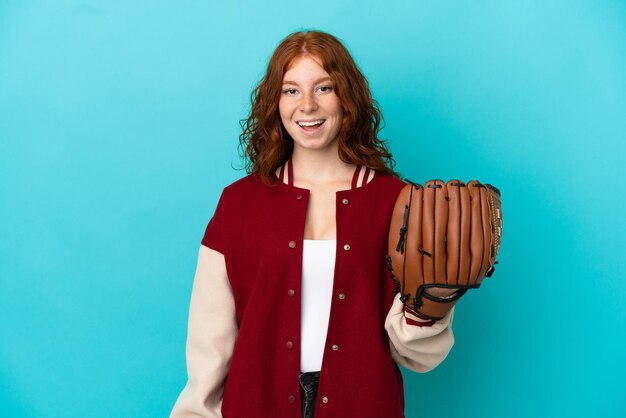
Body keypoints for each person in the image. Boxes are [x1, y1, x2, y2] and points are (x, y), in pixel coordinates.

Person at [170, 29, 456, 418]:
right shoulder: (238, 203)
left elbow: (415, 356)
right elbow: (210, 340)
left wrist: (431, 306)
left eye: (324, 88)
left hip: (363, 405)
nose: (307, 105)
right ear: (275, 101)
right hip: (256, 405)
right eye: (291, 91)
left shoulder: (400, 203)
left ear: (347, 96)